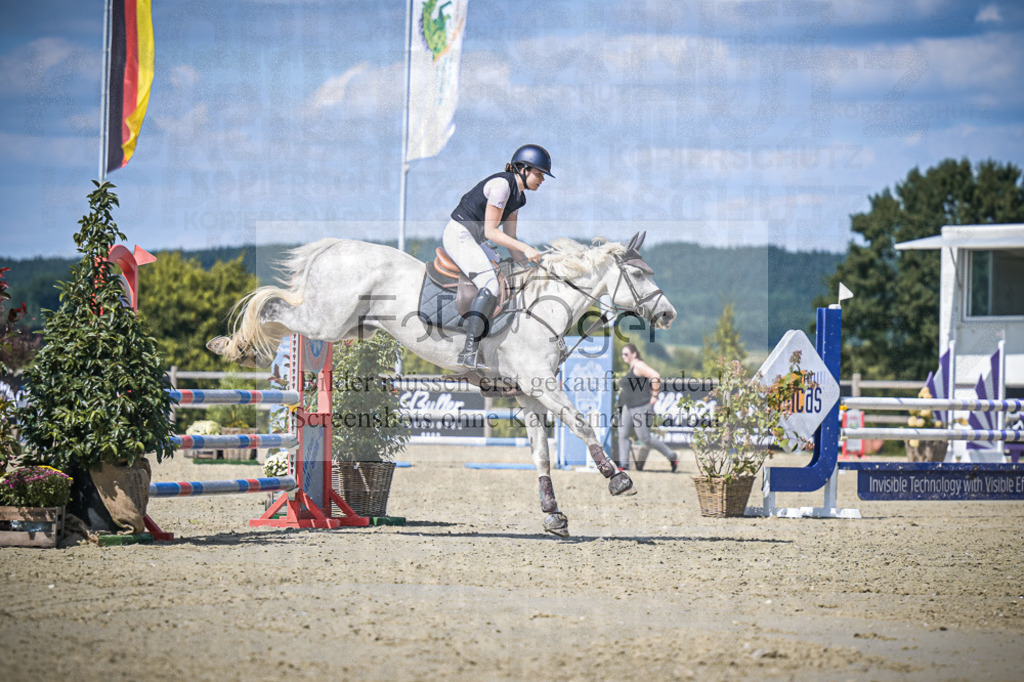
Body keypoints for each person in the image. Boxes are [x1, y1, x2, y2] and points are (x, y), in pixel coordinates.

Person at [444, 144, 552, 369]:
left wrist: (526, 266)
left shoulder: (519, 197)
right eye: (540, 173)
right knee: (491, 285)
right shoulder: (502, 186)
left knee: (510, 277)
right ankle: (469, 351)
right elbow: (492, 232)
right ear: (523, 169)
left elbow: (510, 237)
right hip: (460, 235)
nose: (542, 179)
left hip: (475, 239)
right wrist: (526, 248)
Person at [618, 343, 679, 472]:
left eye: (626, 354)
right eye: (622, 354)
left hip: (640, 406)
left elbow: (656, 375)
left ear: (634, 354)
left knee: (645, 438)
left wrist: (654, 395)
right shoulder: (631, 367)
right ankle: (623, 465)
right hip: (629, 406)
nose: (624, 356)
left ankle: (672, 456)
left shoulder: (638, 365)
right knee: (622, 434)